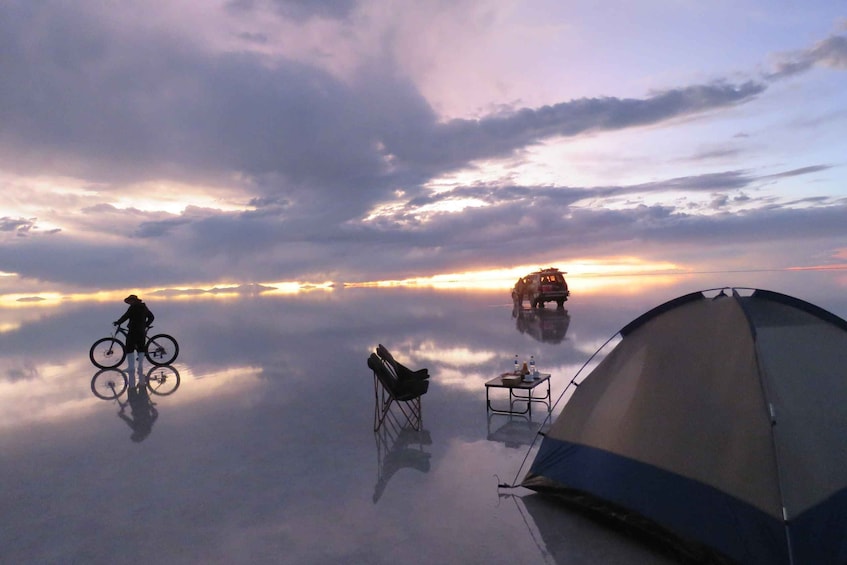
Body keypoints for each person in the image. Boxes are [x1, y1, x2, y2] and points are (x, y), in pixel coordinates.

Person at [114, 294, 155, 386]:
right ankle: (140, 366)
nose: (129, 303)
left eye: (130, 301)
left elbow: (126, 316)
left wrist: (118, 322)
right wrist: (146, 325)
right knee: (141, 347)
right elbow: (152, 317)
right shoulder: (144, 307)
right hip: (141, 330)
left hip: (133, 330)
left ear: (133, 301)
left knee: (129, 347)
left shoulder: (133, 307)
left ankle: (131, 367)